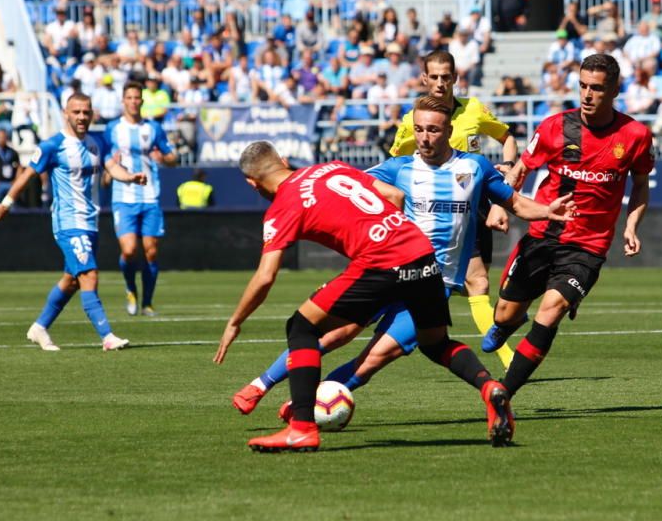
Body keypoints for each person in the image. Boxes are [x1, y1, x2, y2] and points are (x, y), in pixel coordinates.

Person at [232, 96, 574, 414]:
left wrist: (548, 210)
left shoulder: (474, 167)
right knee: (335, 333)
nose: (424, 137)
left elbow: (515, 203)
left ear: (449, 132)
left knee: (374, 358)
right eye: (419, 130)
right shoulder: (397, 168)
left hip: (432, 281)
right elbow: (349, 192)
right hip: (386, 269)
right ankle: (260, 385)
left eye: (433, 130)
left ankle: (306, 403)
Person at [212, 134, 516, 452]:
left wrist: (235, 321)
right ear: (284, 162)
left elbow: (265, 277)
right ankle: (489, 386)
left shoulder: (283, 206)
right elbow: (394, 195)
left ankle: (301, 428)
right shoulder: (330, 168)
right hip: (421, 251)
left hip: (381, 261)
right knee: (434, 343)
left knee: (301, 326)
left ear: (252, 183)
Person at [481, 54, 654, 412]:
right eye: (583, 86)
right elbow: (520, 170)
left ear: (615, 90)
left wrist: (631, 224)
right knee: (504, 315)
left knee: (553, 308)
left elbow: (640, 184)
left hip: (588, 247)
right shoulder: (554, 127)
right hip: (543, 234)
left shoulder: (635, 136)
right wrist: (500, 205)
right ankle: (509, 322)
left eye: (597, 88)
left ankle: (503, 392)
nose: (588, 95)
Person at [388, 50, 520, 368]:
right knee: (476, 282)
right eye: (433, 77)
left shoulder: (473, 109)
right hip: (435, 210)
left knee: (474, 283)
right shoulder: (413, 120)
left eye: (445, 76)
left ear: (455, 78)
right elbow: (395, 161)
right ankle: (508, 357)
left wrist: (509, 164)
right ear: (424, 79)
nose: (439, 83)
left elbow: (506, 136)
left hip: (473, 205)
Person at [0, 93, 147, 352]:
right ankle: (107, 336)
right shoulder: (53, 145)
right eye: (77, 112)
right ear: (66, 113)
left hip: (90, 222)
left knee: (71, 280)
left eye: (86, 112)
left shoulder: (98, 143)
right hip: (67, 222)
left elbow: (112, 169)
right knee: (89, 275)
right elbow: (28, 174)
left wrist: (130, 178)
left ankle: (39, 328)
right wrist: (6, 203)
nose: (82, 117)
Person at [105, 81, 177, 317]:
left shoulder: (154, 128)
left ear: (142, 101)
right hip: (123, 196)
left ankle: (147, 302)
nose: (134, 102)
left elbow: (172, 157)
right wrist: (109, 170)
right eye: (130, 98)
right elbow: (106, 160)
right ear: (123, 101)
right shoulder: (112, 129)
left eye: (137, 98)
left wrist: (163, 158)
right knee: (128, 250)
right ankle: (130, 288)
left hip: (150, 196)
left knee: (151, 252)